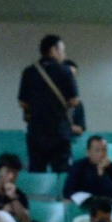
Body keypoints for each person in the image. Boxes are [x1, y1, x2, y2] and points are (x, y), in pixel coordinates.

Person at [18, 36, 81, 174]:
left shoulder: (29, 72)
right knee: (61, 173)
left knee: (36, 172)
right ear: (53, 50)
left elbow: (22, 102)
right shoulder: (65, 71)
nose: (64, 55)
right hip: (59, 132)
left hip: (36, 132)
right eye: (62, 50)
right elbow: (74, 100)